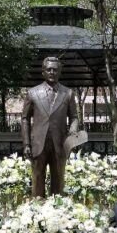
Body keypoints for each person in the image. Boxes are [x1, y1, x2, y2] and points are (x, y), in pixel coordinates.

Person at [21, 56, 80, 197]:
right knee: (37, 180)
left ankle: (57, 208)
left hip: (60, 144)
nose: (52, 72)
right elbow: (25, 119)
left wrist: (73, 131)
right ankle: (37, 208)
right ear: (43, 72)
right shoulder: (32, 93)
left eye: (55, 69)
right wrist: (27, 144)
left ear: (60, 72)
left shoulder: (68, 93)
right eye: (49, 69)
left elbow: (74, 117)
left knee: (58, 182)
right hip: (38, 145)